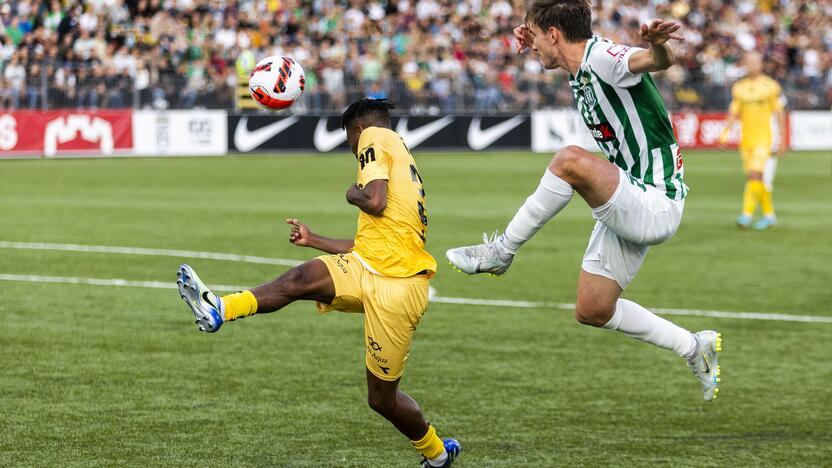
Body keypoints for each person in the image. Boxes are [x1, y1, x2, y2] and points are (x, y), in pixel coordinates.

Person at [445, 0, 721, 401]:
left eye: (538, 37)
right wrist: (532, 33)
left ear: (555, 34)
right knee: (593, 309)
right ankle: (695, 347)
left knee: (569, 161)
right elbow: (555, 44)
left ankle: (502, 252)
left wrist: (660, 46)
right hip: (630, 192)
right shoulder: (575, 65)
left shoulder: (604, 57)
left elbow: (654, 61)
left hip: (654, 200)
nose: (532, 46)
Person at [176, 99, 461, 467]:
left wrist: (351, 193)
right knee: (302, 277)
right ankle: (220, 308)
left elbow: (373, 201)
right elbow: (370, 241)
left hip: (398, 285)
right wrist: (315, 240)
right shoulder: (399, 154)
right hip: (370, 264)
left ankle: (436, 453)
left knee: (381, 400)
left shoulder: (373, 138)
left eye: (348, 140)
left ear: (356, 130)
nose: (351, 148)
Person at [719, 52, 787, 230]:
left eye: (754, 61)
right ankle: (769, 215)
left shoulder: (770, 86)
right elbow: (734, 112)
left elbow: (779, 113)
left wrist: (782, 139)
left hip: (765, 138)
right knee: (758, 178)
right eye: (748, 62)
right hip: (747, 140)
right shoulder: (739, 87)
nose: (751, 65)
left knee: (755, 174)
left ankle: (746, 215)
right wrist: (725, 133)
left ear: (761, 64)